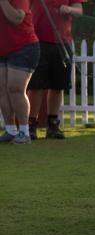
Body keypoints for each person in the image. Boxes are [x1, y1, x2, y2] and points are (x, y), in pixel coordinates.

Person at [27, 0, 85, 140]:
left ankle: (53, 125)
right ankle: (31, 125)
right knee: (36, 85)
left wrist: (68, 10)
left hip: (62, 42)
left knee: (58, 85)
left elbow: (79, 10)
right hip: (36, 40)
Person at [0, 0, 40, 144]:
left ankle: (24, 132)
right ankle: (10, 131)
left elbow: (17, 18)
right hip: (3, 48)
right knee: (2, 90)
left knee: (15, 89)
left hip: (24, 48)